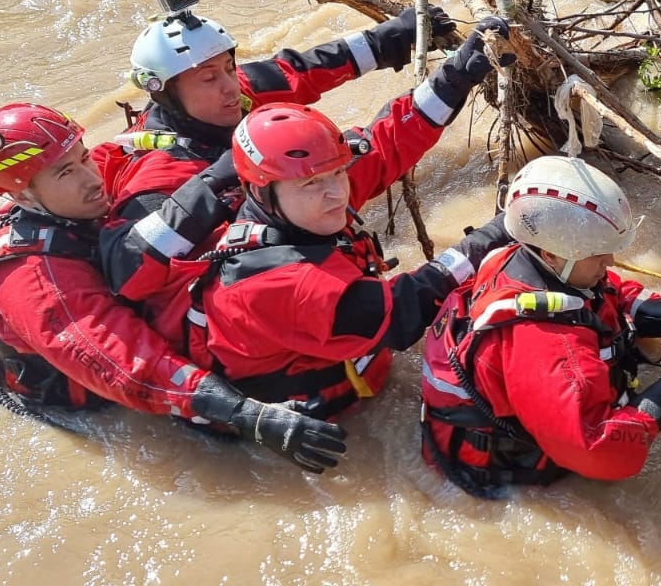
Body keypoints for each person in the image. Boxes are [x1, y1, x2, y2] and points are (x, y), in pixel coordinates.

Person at [0, 102, 347, 473]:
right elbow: (123, 363)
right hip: (76, 399)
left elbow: (133, 151)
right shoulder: (35, 281)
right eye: (66, 172)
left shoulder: (68, 197)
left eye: (84, 158)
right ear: (19, 194)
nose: (92, 178)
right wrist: (246, 414)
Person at [96, 0, 467, 305]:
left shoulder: (223, 100)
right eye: (209, 78)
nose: (230, 87)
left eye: (229, 67)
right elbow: (128, 272)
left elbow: (302, 70)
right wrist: (211, 187)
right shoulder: (158, 178)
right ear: (165, 93)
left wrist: (393, 38)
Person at [418, 156, 661, 498]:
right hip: (500, 467)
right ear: (551, 254)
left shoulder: (521, 258)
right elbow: (604, 454)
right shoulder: (547, 347)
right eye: (598, 253)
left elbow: (611, 291)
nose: (609, 261)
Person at [178, 95, 512, 421]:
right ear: (259, 192)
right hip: (323, 418)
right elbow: (404, 310)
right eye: (313, 182)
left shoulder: (294, 204)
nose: (339, 193)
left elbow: (384, 147)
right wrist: (500, 231)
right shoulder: (282, 283)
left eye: (338, 172)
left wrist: (453, 79)